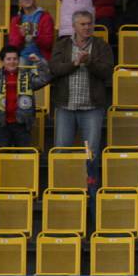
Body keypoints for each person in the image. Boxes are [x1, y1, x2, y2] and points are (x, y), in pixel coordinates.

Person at [49, 11, 115, 192]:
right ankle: (62, 190)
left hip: (91, 108)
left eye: (89, 24)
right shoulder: (62, 45)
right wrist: (75, 63)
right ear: (74, 26)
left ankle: (91, 192)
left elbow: (107, 71)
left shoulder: (101, 46)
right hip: (65, 107)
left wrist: (89, 61)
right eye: (83, 24)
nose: (87, 27)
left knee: (91, 153)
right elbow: (54, 68)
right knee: (62, 152)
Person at [0, 46, 51, 148]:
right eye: (8, 59)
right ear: (2, 61)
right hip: (0, 124)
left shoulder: (27, 76)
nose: (12, 62)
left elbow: (45, 79)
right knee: (2, 157)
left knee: (23, 159)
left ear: (19, 60)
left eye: (15, 59)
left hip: (22, 125)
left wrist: (39, 62)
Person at [8, 0, 55, 64]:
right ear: (19, 2)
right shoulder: (16, 20)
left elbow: (48, 43)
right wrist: (21, 35)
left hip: (41, 57)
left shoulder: (45, 17)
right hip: (22, 57)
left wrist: (34, 36)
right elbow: (13, 46)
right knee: (20, 63)